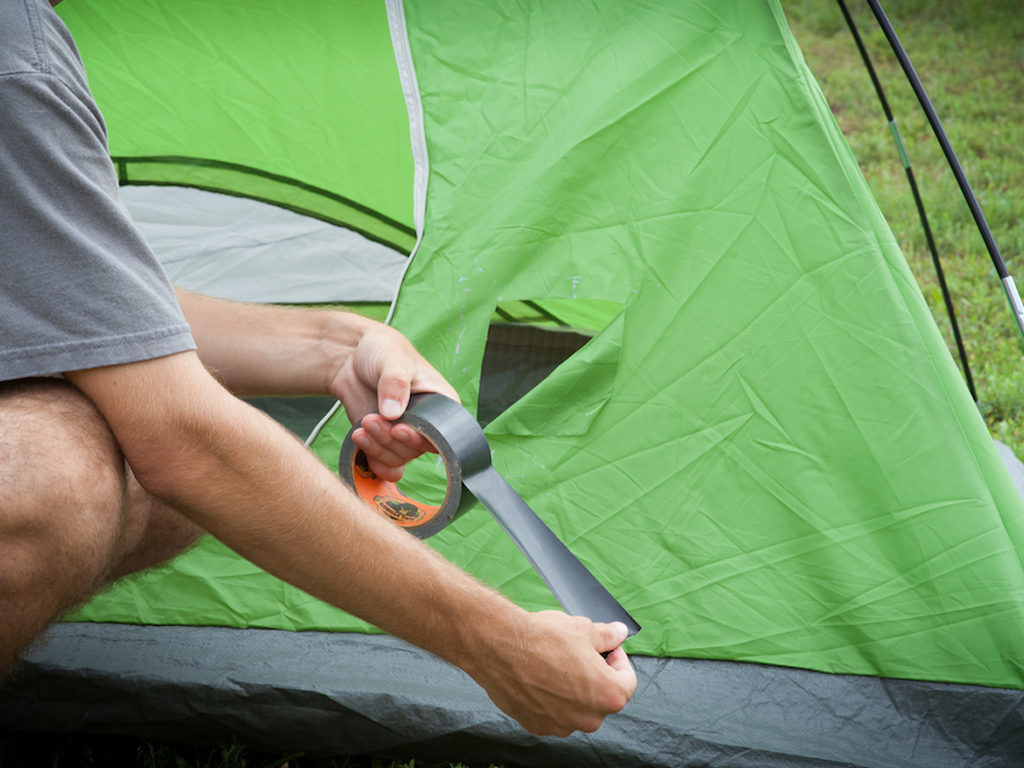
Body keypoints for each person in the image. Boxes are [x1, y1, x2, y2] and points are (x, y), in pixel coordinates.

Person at [0, 0, 637, 738]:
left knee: (171, 449)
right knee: (64, 474)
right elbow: (187, 445)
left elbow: (71, 294)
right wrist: (497, 644)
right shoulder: (16, 59)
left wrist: (338, 346)